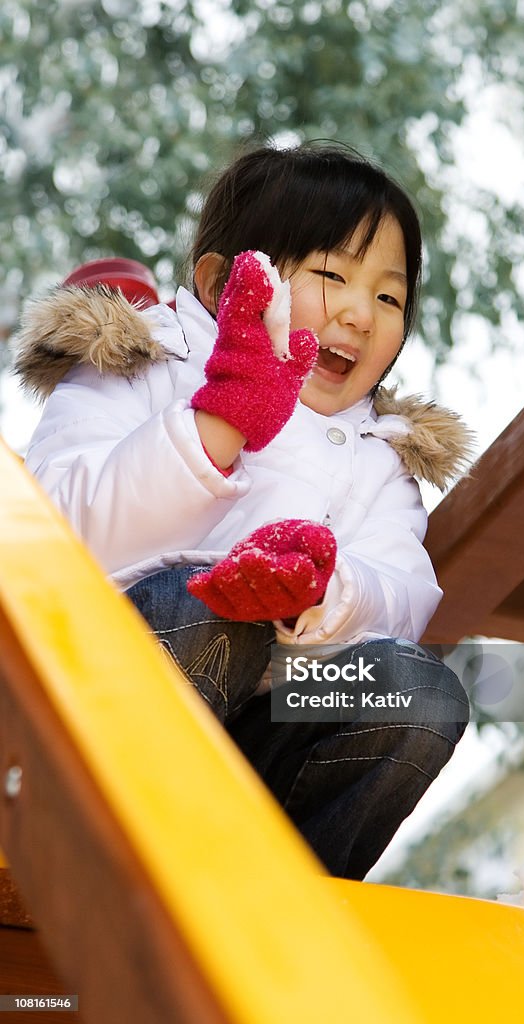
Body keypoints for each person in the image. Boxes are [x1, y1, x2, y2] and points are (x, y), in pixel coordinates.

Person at [15, 141, 472, 880]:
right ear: (224, 282)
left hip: (257, 741)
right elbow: (57, 539)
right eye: (330, 274)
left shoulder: (377, 455)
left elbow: (403, 597)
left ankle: (283, 895)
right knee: (211, 613)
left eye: (388, 297)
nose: (360, 313)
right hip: (105, 704)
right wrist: (218, 422)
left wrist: (324, 591)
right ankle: (108, 831)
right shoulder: (141, 364)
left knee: (417, 689)